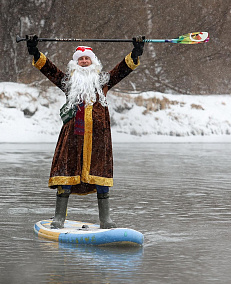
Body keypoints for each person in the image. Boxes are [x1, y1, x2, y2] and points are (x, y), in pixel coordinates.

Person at [26, 34, 145, 229]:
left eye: (86, 58)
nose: (83, 61)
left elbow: (121, 70)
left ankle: (105, 220)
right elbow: (51, 71)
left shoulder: (104, 81)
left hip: (98, 139)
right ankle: (59, 218)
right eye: (80, 59)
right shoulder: (68, 82)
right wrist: (35, 52)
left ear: (93, 61)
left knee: (101, 178)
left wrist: (136, 52)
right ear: (75, 64)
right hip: (72, 137)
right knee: (66, 175)